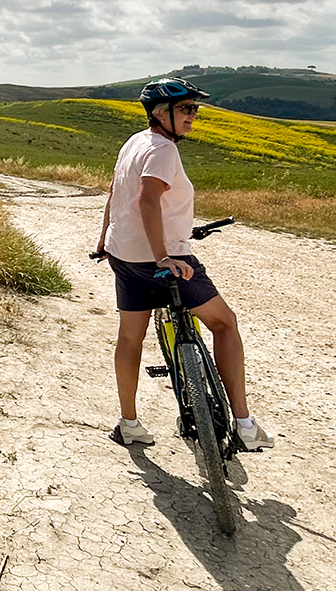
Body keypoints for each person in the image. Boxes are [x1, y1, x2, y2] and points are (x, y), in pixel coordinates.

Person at [93, 76, 273, 450]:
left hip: (123, 255)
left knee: (130, 336)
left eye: (195, 109)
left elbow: (115, 193)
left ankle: (128, 423)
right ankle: (244, 424)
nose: (194, 116)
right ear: (162, 114)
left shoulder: (134, 142)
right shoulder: (164, 151)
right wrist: (163, 255)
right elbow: (146, 200)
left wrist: (103, 241)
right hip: (159, 256)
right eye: (186, 109)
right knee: (225, 323)